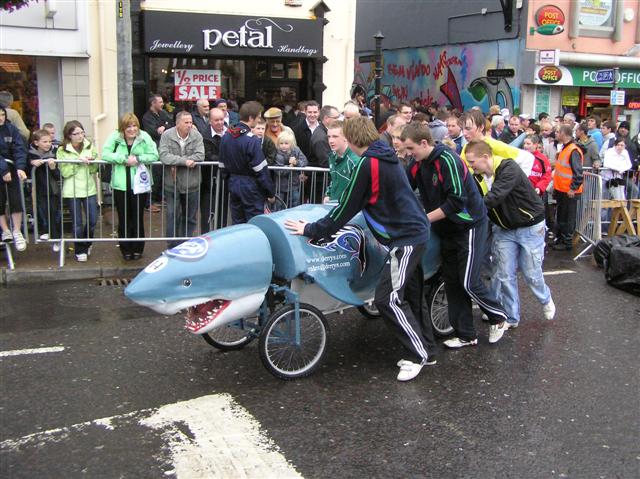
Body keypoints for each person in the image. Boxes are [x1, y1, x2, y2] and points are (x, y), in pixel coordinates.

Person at [285, 117, 436, 382]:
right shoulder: (385, 155)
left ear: (353, 140)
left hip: (406, 238)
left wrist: (310, 229)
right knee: (411, 293)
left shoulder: (368, 164)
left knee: (386, 298)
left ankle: (418, 354)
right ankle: (428, 349)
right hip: (413, 232)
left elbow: (346, 208)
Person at [402, 123, 509, 348]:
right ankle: (466, 334)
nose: (408, 154)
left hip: (469, 225)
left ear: (424, 143)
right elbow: (403, 188)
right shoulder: (417, 164)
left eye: (411, 148)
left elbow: (456, 201)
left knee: (468, 281)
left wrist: (424, 218)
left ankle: (499, 317)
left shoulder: (448, 160)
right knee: (452, 281)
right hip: (446, 228)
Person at [464, 140, 555, 328]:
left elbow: (494, 196)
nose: (471, 166)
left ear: (485, 157)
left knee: (531, 273)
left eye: (472, 162)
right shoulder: (477, 176)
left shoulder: (508, 168)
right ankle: (512, 318)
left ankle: (546, 300)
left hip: (530, 226)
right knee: (504, 274)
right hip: (504, 228)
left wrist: (468, 212)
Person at [102, 113, 159, 260]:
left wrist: (138, 159)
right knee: (124, 217)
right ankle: (125, 249)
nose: (132, 129)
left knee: (137, 217)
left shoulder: (144, 136)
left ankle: (138, 248)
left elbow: (154, 154)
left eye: (134, 126)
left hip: (139, 184)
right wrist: (123, 159)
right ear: (123, 128)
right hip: (121, 185)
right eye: (128, 126)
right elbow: (105, 154)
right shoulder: (115, 137)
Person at [219, 101, 275, 224]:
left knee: (237, 223)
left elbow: (222, 166)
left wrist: (230, 181)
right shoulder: (251, 140)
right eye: (258, 117)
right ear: (251, 118)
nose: (259, 120)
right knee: (254, 223)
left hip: (233, 183)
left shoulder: (226, 136)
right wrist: (270, 192)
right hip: (250, 187)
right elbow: (261, 170)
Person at [159, 111, 205, 247]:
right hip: (172, 183)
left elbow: (200, 155)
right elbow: (163, 156)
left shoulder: (196, 135)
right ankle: (172, 244)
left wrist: (176, 161)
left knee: (190, 216)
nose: (190, 125)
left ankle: (186, 242)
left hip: (192, 182)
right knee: (172, 214)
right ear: (177, 123)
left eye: (191, 122)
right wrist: (184, 162)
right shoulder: (167, 135)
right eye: (186, 122)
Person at [57, 121, 99, 262]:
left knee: (93, 220)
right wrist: (77, 161)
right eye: (76, 134)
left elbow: (94, 169)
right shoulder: (62, 149)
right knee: (77, 223)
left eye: (82, 132)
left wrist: (93, 162)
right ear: (69, 135)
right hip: (72, 190)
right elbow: (65, 172)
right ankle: (80, 249)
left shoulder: (89, 145)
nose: (80, 136)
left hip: (89, 188)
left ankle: (87, 242)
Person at [460, 110, 534, 181]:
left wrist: (512, 184)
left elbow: (528, 158)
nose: (464, 133)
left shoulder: (492, 144)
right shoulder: (466, 148)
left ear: (481, 127)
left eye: (468, 129)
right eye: (462, 129)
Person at [0, 106, 28, 251]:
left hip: (12, 168)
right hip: (3, 168)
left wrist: (20, 167)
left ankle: (17, 231)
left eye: (2, 115)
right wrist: (3, 168)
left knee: (16, 200)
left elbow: (19, 149)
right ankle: (5, 230)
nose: (1, 118)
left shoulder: (11, 129)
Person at [552, 125, 584, 251]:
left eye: (558, 132)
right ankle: (561, 240)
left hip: (569, 191)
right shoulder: (567, 149)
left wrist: (573, 188)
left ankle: (567, 242)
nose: (556, 134)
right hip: (562, 189)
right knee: (562, 216)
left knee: (567, 218)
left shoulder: (573, 150)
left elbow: (578, 173)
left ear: (564, 134)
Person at [28, 129, 61, 249]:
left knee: (54, 213)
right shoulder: (30, 154)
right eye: (45, 141)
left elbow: (59, 176)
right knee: (41, 212)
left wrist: (53, 168)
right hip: (38, 189)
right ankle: (44, 231)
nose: (48, 144)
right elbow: (25, 170)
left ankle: (57, 239)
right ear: (36, 143)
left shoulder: (55, 153)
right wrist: (31, 163)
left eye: (50, 141)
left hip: (53, 190)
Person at [141, 94, 174, 211]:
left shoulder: (164, 113)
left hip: (165, 149)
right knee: (154, 175)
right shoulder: (147, 117)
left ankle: (160, 198)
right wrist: (163, 126)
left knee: (163, 175)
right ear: (153, 104)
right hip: (154, 149)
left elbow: (171, 125)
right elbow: (153, 132)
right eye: (159, 102)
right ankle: (149, 203)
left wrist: (164, 127)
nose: (162, 104)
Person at [201, 107, 228, 232]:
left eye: (222, 119)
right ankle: (206, 237)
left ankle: (220, 236)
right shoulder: (204, 135)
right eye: (216, 120)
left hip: (225, 180)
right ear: (210, 121)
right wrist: (225, 160)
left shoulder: (229, 132)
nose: (220, 123)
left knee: (223, 212)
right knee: (207, 212)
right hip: (208, 180)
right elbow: (207, 155)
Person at [323, 120, 360, 202]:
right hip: (333, 204)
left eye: (335, 136)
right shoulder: (332, 156)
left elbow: (358, 189)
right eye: (329, 137)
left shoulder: (354, 160)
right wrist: (328, 194)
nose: (331, 141)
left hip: (348, 207)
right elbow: (334, 179)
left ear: (346, 138)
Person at [274, 130, 307, 208]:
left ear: (291, 144)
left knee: (294, 206)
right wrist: (290, 167)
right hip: (280, 187)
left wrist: (296, 162)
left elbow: (305, 161)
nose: (283, 146)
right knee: (279, 207)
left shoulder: (296, 150)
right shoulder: (276, 153)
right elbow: (279, 171)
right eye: (281, 143)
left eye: (286, 143)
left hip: (294, 185)